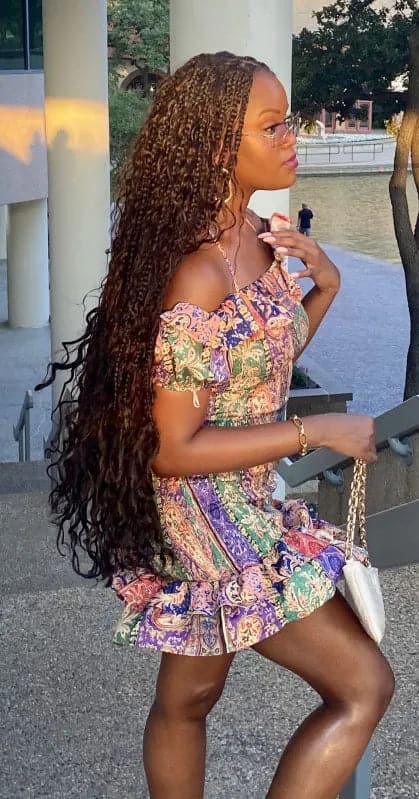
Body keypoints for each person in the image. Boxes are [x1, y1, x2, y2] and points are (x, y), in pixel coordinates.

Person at [37, 52, 394, 799]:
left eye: (288, 119)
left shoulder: (259, 237)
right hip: (204, 507)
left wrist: (324, 286)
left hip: (242, 489)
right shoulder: (197, 270)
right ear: (214, 147)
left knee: (189, 696)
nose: (292, 137)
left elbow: (256, 369)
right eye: (272, 125)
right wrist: (319, 430)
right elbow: (172, 448)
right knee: (362, 685)